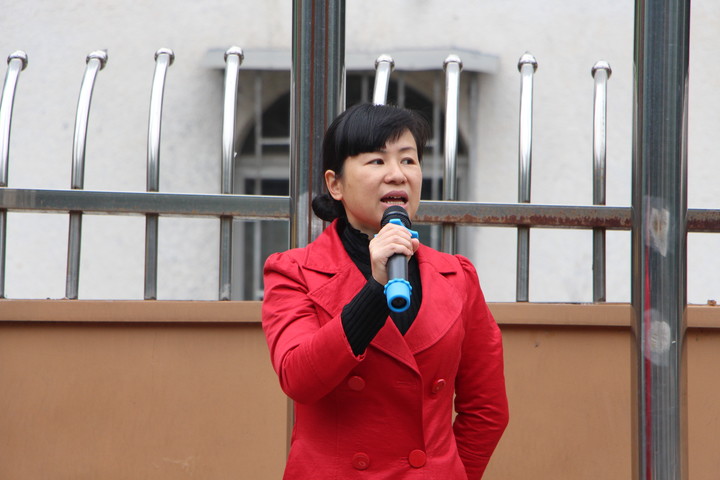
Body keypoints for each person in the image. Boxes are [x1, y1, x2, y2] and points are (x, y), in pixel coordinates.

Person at [262, 103, 508, 479]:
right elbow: (299, 378)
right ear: (335, 184)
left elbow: (487, 409)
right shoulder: (294, 271)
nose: (397, 174)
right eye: (377, 161)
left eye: (408, 160)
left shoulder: (457, 277)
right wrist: (375, 288)